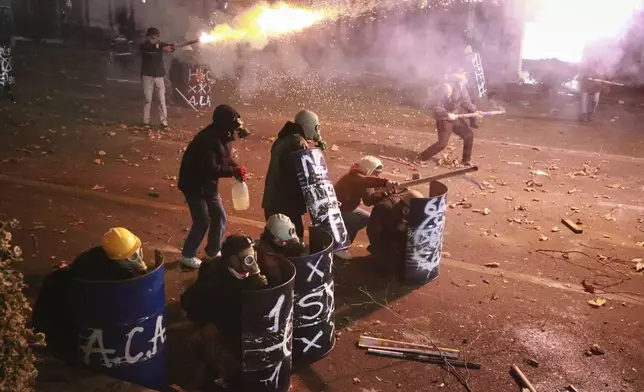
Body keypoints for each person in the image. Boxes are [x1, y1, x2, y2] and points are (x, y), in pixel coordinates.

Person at [32, 227, 149, 361]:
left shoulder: (85, 264)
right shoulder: (115, 279)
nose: (138, 257)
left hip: (55, 332)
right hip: (74, 341)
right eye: (133, 255)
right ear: (120, 259)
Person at [180, 234, 269, 389]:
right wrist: (204, 326)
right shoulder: (214, 278)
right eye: (244, 256)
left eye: (251, 253)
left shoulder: (247, 277)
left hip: (234, 321)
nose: (250, 259)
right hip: (216, 325)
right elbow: (196, 303)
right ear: (232, 260)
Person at [178, 104, 249, 269]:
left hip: (208, 185)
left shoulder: (222, 136)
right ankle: (187, 255)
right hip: (194, 185)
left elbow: (224, 158)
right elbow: (210, 168)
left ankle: (213, 250)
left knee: (219, 216)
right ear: (225, 124)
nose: (237, 129)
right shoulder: (208, 140)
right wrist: (233, 171)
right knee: (202, 220)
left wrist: (237, 168)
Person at [262, 109, 327, 239]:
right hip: (287, 203)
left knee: (275, 239)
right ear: (310, 126)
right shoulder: (298, 143)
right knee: (294, 241)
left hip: (273, 200)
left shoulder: (282, 139)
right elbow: (306, 174)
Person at [333, 156, 397, 260]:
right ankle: (340, 247)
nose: (377, 176)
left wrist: (384, 190)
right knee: (354, 221)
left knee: (366, 218)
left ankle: (342, 239)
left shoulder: (361, 177)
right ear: (369, 169)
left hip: (346, 207)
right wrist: (384, 185)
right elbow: (369, 200)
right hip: (337, 209)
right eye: (376, 173)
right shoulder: (356, 177)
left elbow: (369, 197)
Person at [417, 71, 482, 166]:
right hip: (443, 118)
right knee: (442, 143)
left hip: (455, 116)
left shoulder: (462, 88)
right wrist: (446, 114)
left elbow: (465, 102)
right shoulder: (445, 88)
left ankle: (466, 160)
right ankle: (421, 157)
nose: (466, 80)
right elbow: (434, 105)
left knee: (468, 135)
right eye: (464, 77)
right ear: (458, 79)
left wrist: (475, 111)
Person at [367, 189, 423, 263]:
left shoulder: (401, 206)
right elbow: (373, 232)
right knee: (392, 267)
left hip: (390, 233)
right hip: (382, 239)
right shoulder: (385, 208)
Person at [140, 27, 174, 129]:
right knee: (148, 99)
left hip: (159, 75)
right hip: (147, 75)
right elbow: (151, 51)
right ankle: (146, 121)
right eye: (153, 37)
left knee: (161, 100)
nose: (155, 38)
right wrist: (161, 48)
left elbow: (166, 47)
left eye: (156, 37)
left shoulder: (160, 45)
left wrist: (171, 47)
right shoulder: (144, 46)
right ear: (148, 37)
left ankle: (164, 122)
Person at [0, 6, 15, 103]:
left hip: (5, 46)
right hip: (5, 47)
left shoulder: (7, 20)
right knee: (6, 69)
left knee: (6, 68)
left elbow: (10, 33)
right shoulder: (7, 20)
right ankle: (7, 89)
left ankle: (8, 88)